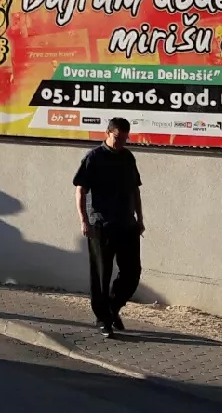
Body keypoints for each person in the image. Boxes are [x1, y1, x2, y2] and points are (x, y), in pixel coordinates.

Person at [74, 117, 144, 338]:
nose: (121, 142)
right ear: (107, 133)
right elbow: (80, 190)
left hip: (126, 224)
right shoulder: (94, 158)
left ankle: (113, 307)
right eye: (117, 138)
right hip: (101, 224)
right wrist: (84, 221)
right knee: (101, 275)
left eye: (125, 138)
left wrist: (140, 219)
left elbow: (135, 190)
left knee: (132, 272)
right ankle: (103, 319)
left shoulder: (128, 157)